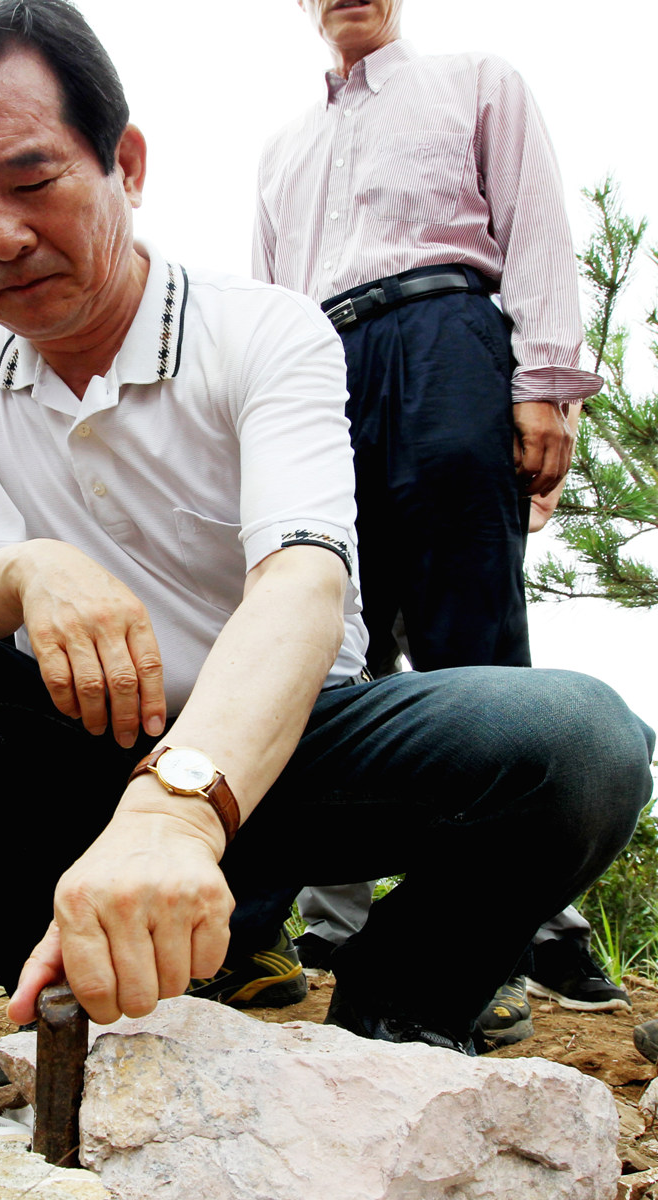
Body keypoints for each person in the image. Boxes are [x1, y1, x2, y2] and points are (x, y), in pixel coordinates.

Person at [0, 0, 654, 1055]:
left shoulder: (266, 329)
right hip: (82, 753)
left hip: (288, 754)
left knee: (583, 742)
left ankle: (397, 1015)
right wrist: (32, 570)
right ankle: (74, 1006)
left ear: (125, 163)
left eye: (35, 181)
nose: (2, 236)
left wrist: (175, 810)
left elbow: (304, 579)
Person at [254, 0, 619, 1037]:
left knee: (472, 619)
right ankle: (332, 913)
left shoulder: (477, 78)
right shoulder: (285, 148)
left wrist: (544, 383)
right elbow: (272, 299)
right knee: (321, 619)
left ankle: (512, 923)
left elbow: (538, 223)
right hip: (320, 363)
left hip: (448, 331)